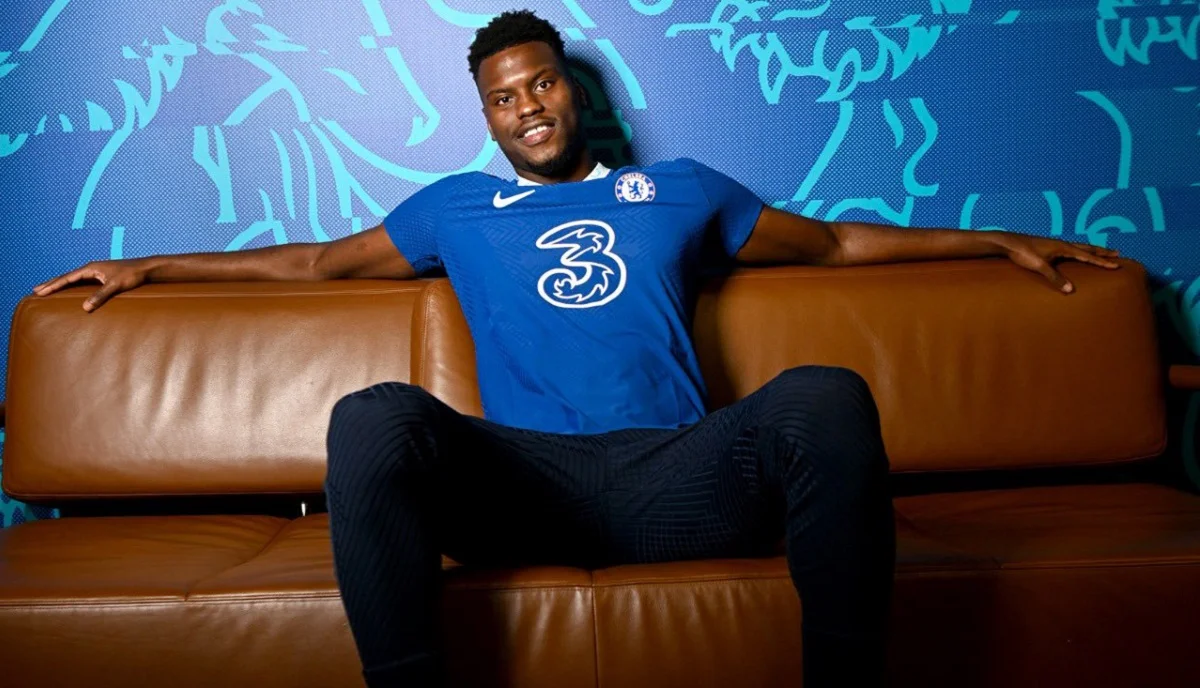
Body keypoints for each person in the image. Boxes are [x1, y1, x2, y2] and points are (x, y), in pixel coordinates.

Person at [32, 10, 1121, 687]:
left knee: (825, 394)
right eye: (504, 98)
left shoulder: (679, 188)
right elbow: (318, 264)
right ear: (489, 118)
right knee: (371, 415)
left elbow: (832, 243)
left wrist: (996, 240)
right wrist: (148, 265)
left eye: (542, 83)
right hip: (528, 486)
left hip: (680, 473)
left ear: (573, 89)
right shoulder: (456, 208)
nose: (529, 108)